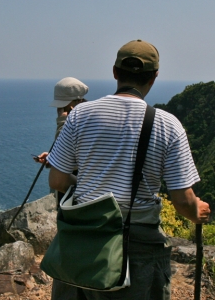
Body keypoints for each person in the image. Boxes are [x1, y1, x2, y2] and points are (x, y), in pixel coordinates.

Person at [48, 39, 211, 300]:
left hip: (81, 240)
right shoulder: (167, 125)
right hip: (137, 247)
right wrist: (197, 211)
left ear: (114, 72)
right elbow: (182, 200)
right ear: (154, 77)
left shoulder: (79, 115)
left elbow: (57, 180)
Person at [35, 76, 88, 300]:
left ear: (70, 105)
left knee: (71, 246)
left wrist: (62, 125)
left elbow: (65, 170)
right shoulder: (91, 117)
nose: (58, 112)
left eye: (61, 108)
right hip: (86, 193)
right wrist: (52, 158)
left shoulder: (69, 123)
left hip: (73, 197)